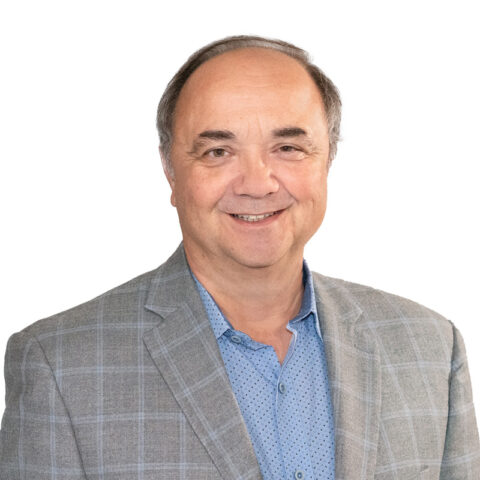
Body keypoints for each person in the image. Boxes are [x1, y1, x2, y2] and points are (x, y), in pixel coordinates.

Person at [0, 35, 478, 480]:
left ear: (327, 160)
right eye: (217, 152)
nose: (257, 183)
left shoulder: (430, 349)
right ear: (170, 171)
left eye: (288, 147)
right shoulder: (60, 366)